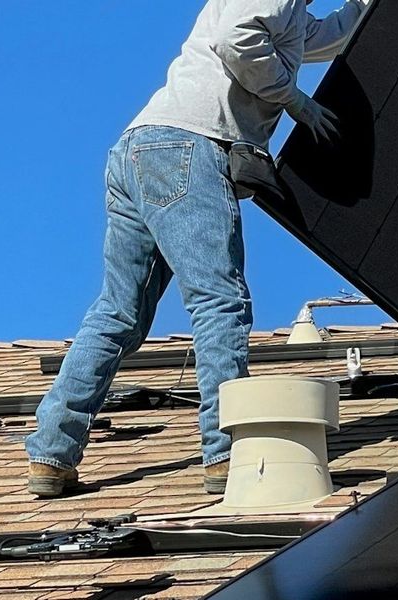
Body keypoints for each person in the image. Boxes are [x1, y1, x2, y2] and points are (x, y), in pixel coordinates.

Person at [24, 0, 370, 497]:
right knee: (219, 300)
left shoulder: (294, 16)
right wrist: (292, 98)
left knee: (118, 313)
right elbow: (236, 39)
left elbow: (328, 36)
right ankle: (227, 452)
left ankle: (51, 454)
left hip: (143, 149)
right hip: (190, 144)